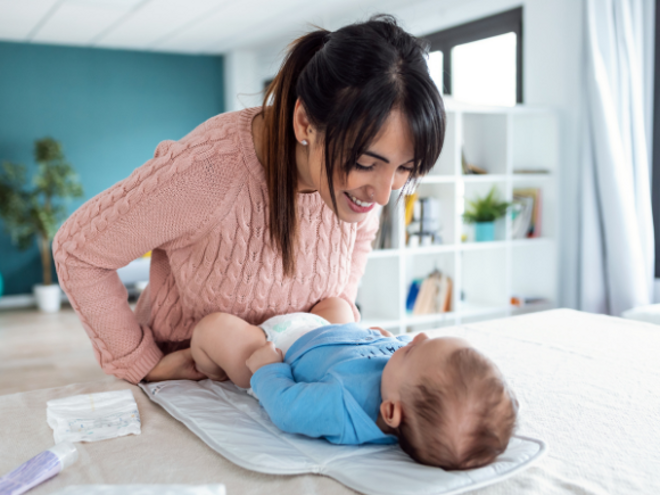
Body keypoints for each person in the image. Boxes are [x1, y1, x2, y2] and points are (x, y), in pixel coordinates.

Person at [52, 15, 445, 384]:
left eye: (405, 169)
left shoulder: (361, 192)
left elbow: (358, 236)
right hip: (195, 389)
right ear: (305, 123)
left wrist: (336, 317)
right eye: (363, 163)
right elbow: (78, 251)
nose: (381, 193)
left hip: (284, 387)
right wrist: (142, 361)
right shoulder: (206, 172)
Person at [190, 297, 518, 470]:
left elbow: (287, 408)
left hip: (277, 348)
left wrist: (268, 371)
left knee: (214, 329)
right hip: (329, 331)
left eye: (412, 350)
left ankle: (208, 368)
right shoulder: (406, 384)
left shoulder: (345, 408)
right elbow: (406, 354)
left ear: (389, 412)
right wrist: (391, 344)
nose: (416, 336)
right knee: (340, 304)